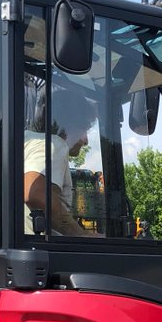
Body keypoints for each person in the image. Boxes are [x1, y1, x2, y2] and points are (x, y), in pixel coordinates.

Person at [23, 84, 98, 237]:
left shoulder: (25, 142)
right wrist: (81, 235)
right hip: (37, 251)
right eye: (84, 128)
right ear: (67, 124)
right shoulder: (54, 144)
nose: (86, 140)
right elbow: (35, 193)